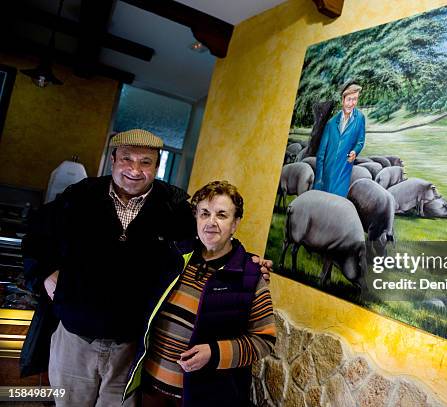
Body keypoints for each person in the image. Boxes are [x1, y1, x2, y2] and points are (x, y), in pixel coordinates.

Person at [21, 129, 272, 407]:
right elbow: (35, 236)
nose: (134, 170)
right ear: (113, 159)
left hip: (131, 349)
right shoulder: (80, 196)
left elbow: (209, 238)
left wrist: (246, 262)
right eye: (127, 159)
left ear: (156, 165)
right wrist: (43, 274)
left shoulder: (175, 207)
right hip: (75, 340)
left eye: (145, 162)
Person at [124, 180, 275, 406]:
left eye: (222, 215)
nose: (211, 223)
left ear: (235, 224)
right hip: (152, 389)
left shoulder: (250, 277)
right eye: (204, 213)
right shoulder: (173, 258)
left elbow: (265, 340)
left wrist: (214, 353)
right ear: (196, 217)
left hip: (204, 397)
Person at [313, 82, 366, 197]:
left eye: (355, 99)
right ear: (343, 100)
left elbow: (360, 141)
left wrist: (355, 151)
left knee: (337, 206)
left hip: (343, 172)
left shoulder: (360, 118)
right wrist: (319, 180)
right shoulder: (331, 123)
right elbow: (321, 154)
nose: (352, 103)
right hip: (327, 173)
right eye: (349, 99)